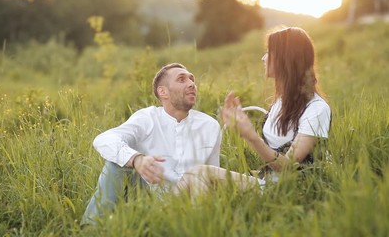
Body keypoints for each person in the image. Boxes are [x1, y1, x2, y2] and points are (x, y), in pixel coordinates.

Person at [175, 27, 332, 194]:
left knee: (198, 174)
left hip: (291, 190)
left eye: (269, 51)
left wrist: (251, 136)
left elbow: (289, 166)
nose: (263, 58)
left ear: (286, 58)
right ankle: (191, 218)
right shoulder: (280, 102)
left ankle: (178, 216)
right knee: (194, 177)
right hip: (266, 183)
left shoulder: (317, 108)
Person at [82, 63, 222, 225]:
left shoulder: (210, 126)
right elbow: (104, 139)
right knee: (118, 162)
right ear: (163, 92)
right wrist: (137, 159)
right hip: (149, 201)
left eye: (192, 79)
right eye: (182, 79)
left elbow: (214, 175)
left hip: (189, 205)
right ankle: (90, 228)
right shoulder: (147, 118)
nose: (191, 84)